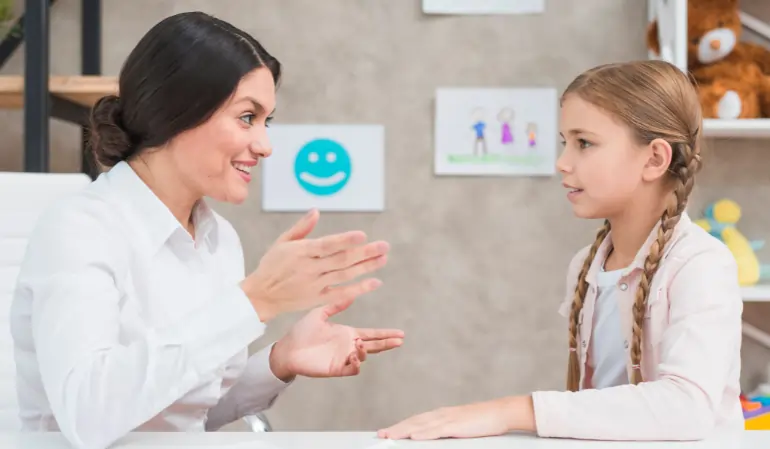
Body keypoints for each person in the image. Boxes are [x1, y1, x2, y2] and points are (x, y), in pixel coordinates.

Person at [9, 12, 404, 449]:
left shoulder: (219, 241)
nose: (265, 145)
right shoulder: (80, 229)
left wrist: (278, 361)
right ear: (178, 111)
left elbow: (182, 412)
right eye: (247, 117)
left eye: (265, 121)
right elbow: (90, 415)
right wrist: (254, 301)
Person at [377, 60, 744, 441]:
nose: (562, 163)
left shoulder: (700, 266)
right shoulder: (585, 266)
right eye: (564, 142)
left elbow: (686, 408)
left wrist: (512, 411)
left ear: (654, 159)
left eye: (584, 143)